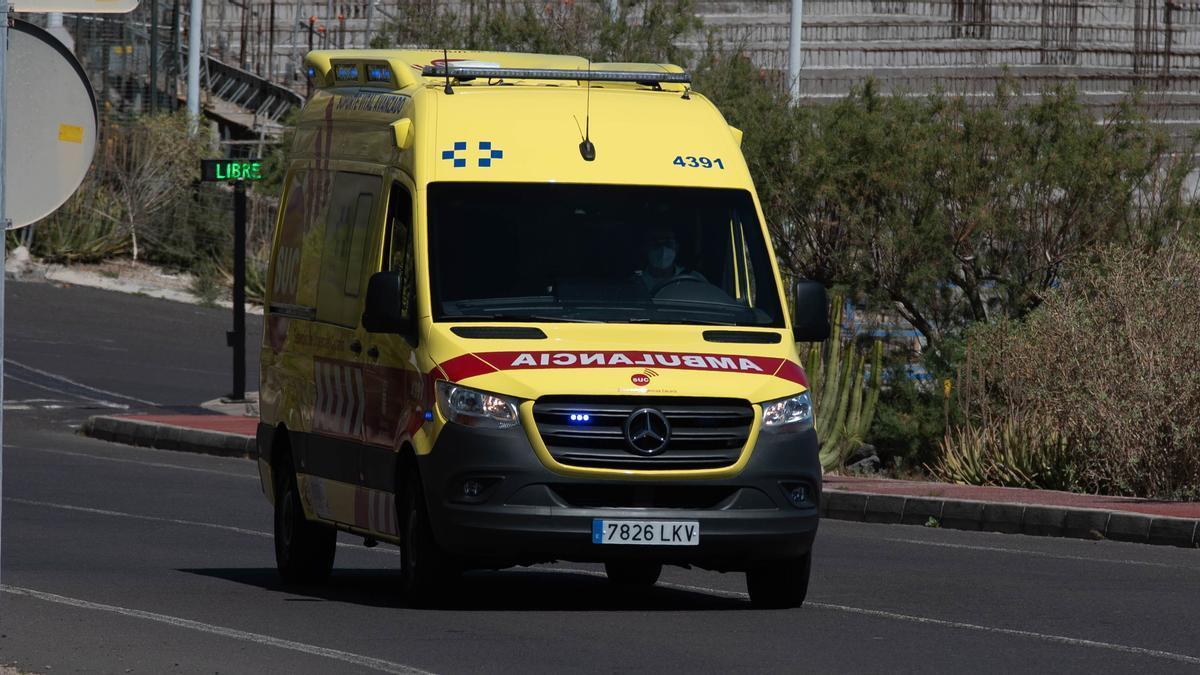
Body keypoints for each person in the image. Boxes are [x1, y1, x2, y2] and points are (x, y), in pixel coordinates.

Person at [635, 225, 705, 294]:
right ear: (645, 248)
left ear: (676, 247)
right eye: (655, 243)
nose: (663, 249)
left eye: (668, 243)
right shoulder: (635, 282)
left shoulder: (694, 279)